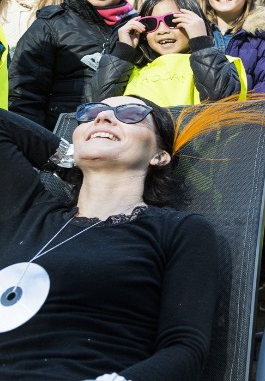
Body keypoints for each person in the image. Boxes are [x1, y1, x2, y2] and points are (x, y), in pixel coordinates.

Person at [0, 97, 219, 380]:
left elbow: (185, 349)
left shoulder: (178, 230)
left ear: (159, 155)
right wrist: (72, 155)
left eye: (131, 114)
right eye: (90, 113)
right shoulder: (29, 213)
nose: (102, 117)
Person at [9, 0, 136, 129]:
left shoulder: (138, 28)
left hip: (125, 132)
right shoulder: (50, 25)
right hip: (61, 135)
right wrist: (38, 146)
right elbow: (25, 95)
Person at [90, 0, 246, 106]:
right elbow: (97, 104)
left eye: (173, 21)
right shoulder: (131, 71)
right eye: (150, 23)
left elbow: (223, 101)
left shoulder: (223, 64)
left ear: (196, 23)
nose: (162, 30)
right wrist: (123, 52)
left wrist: (201, 42)